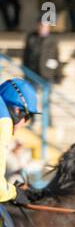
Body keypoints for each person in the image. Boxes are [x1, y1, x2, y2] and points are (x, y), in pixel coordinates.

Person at [0, 78, 39, 208]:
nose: (25, 123)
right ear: (17, 111)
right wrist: (15, 193)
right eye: (27, 117)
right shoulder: (4, 122)